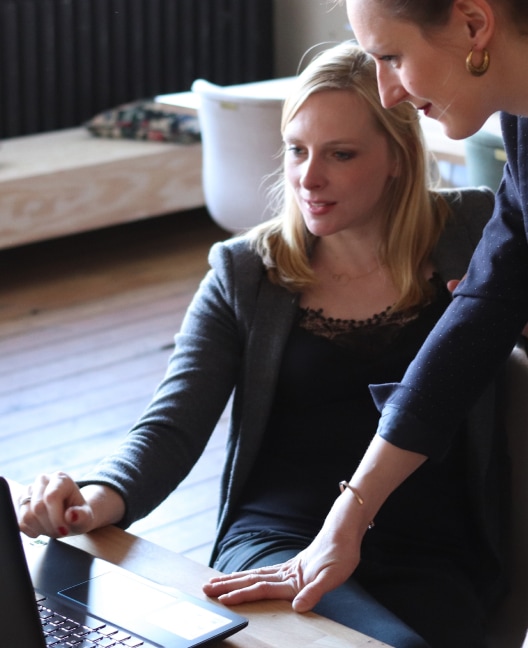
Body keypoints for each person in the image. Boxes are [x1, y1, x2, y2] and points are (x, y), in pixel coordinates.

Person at [17, 42, 500, 647]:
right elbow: (172, 425)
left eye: (340, 154)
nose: (308, 177)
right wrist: (93, 499)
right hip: (278, 538)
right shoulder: (246, 270)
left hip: (433, 543)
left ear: (398, 157)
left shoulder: (475, 231)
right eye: (297, 150)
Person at [201, 0, 528, 644]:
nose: (389, 90)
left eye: (392, 57)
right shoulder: (521, 129)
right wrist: (345, 523)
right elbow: (477, 318)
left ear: (472, 22)